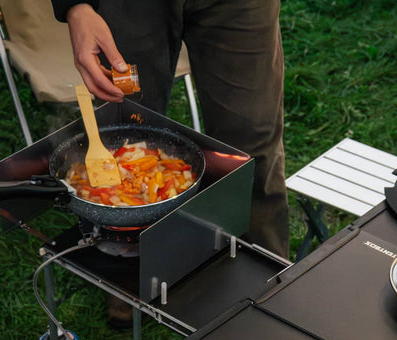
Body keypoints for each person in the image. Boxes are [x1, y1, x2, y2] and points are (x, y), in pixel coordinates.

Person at [51, 0, 291, 261]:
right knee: (130, 138)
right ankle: (133, 283)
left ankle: (268, 277)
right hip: (128, 8)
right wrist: (76, 6)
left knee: (252, 148)